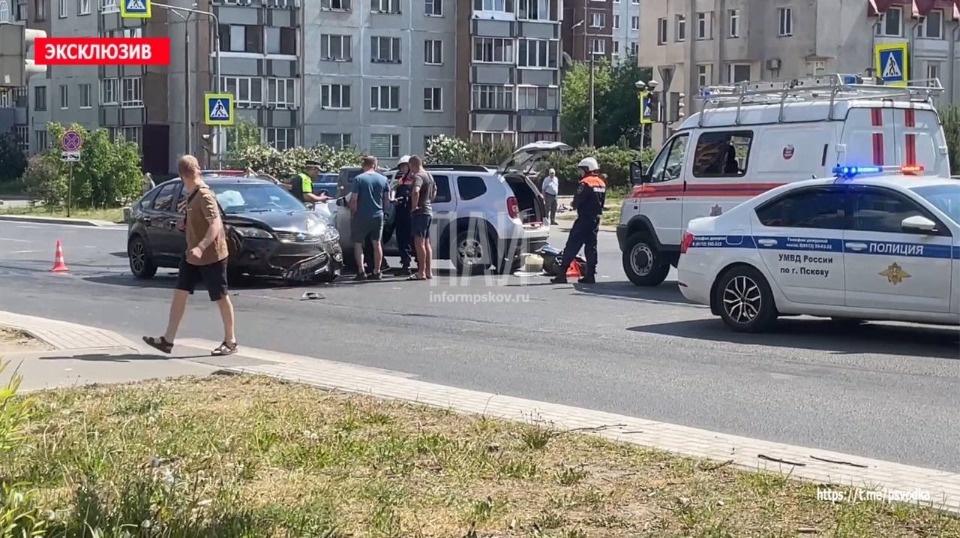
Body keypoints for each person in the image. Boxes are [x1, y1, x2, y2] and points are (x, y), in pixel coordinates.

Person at [143, 155, 238, 356]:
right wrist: (185, 224)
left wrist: (201, 247)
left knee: (221, 296)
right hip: (192, 256)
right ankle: (168, 340)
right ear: (197, 169)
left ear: (181, 175)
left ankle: (230, 341)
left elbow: (215, 224)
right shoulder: (192, 194)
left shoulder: (204, 195)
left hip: (212, 255)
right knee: (180, 293)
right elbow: (200, 220)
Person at [551, 157, 605, 285]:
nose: (580, 173)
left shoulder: (585, 183)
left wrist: (573, 203)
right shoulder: (601, 183)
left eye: (581, 170)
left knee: (572, 245)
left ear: (587, 169)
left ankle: (562, 274)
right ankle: (590, 275)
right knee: (591, 247)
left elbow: (577, 201)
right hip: (595, 219)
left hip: (584, 219)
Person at [349, 155, 390, 281]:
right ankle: (377, 271)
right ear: (375, 165)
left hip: (361, 216)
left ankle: (361, 272)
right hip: (377, 215)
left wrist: (352, 213)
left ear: (364, 165)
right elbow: (386, 200)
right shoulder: (383, 179)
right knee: (377, 244)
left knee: (357, 243)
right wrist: (385, 212)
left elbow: (354, 199)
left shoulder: (359, 179)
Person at [408, 155, 436, 281]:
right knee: (426, 243)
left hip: (420, 213)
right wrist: (429, 200)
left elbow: (416, 191)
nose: (410, 170)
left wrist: (414, 206)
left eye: (410, 167)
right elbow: (435, 190)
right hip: (429, 211)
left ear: (413, 165)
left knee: (419, 243)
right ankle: (429, 271)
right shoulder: (429, 175)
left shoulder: (418, 176)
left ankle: (421, 272)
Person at [392, 155, 415, 275]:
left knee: (411, 240)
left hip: (410, 213)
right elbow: (394, 189)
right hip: (401, 213)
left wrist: (405, 198)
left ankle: (418, 265)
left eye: (404, 166)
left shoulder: (415, 179)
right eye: (401, 167)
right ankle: (405, 265)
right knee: (402, 240)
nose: (402, 169)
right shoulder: (402, 180)